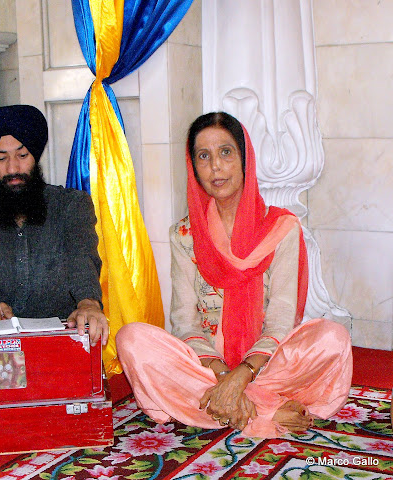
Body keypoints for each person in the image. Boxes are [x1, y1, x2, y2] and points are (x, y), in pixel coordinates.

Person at [116, 112, 352, 438]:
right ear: (193, 167)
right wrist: (223, 375)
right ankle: (267, 410)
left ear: (245, 158)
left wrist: (243, 375)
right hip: (208, 367)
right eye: (204, 156)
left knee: (332, 338)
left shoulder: (282, 229)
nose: (216, 166)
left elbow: (282, 319)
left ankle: (221, 407)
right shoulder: (184, 235)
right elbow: (185, 321)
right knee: (131, 339)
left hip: (268, 363)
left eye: (226, 152)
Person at [0, 104, 108, 346]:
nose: (12, 168)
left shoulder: (70, 206)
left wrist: (88, 302)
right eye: (1, 158)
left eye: (22, 156)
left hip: (58, 341)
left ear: (35, 156)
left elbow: (82, 260)